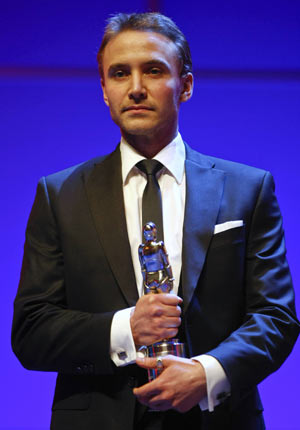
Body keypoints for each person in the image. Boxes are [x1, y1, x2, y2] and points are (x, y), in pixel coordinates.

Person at [12, 12, 299, 430]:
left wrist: (207, 373)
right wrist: (126, 327)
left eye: (153, 70)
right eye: (119, 73)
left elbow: (276, 317)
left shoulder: (247, 189)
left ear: (185, 85)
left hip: (216, 419)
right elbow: (32, 332)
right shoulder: (60, 195)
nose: (136, 89)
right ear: (104, 91)